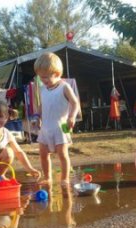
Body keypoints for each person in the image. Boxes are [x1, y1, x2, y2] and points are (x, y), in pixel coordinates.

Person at [34, 52, 80, 185]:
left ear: (57, 73)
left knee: (62, 154)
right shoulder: (43, 89)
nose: (43, 80)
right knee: (43, 154)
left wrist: (72, 117)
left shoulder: (64, 87)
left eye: (46, 77)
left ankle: (64, 178)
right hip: (46, 127)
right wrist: (38, 116)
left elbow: (75, 102)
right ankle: (48, 177)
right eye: (41, 78)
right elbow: (42, 104)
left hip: (61, 126)